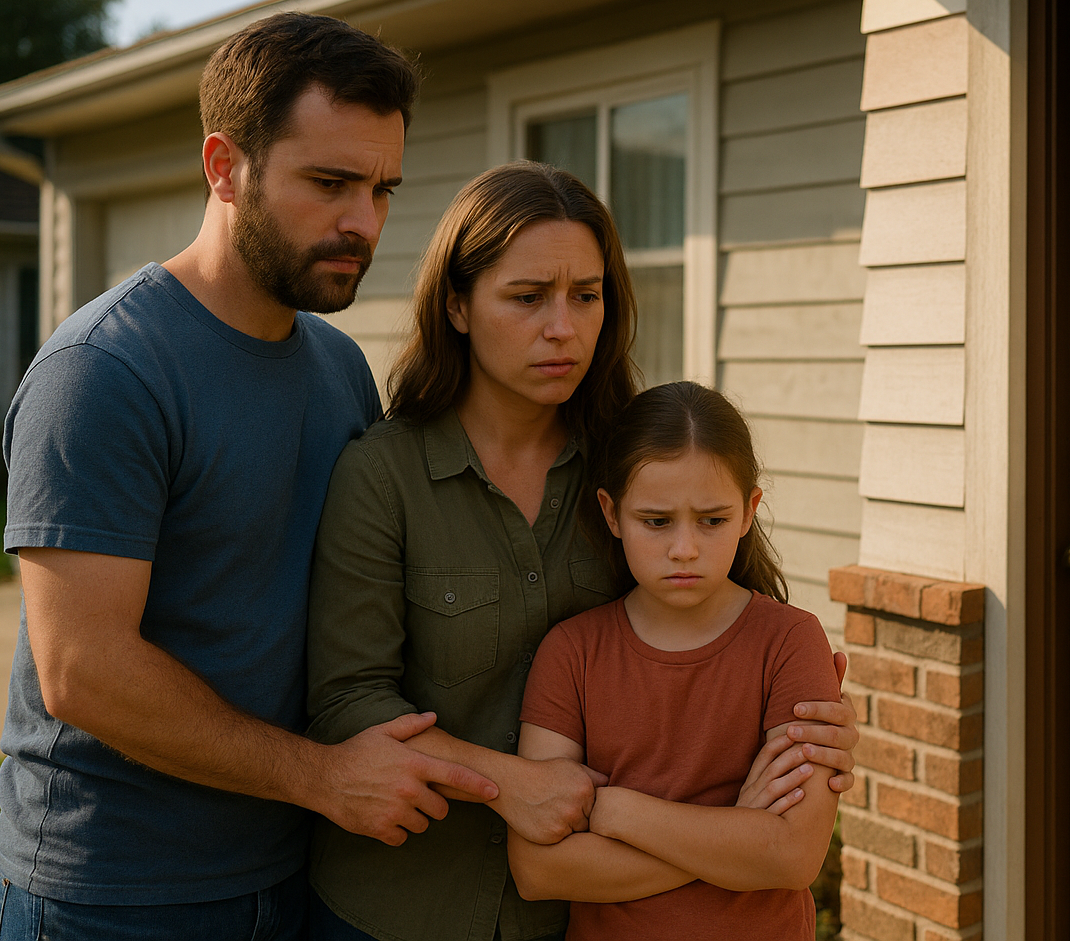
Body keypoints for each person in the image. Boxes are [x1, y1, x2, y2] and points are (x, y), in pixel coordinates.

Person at [0, 12, 497, 941]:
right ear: (225, 167)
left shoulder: (339, 370)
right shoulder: (104, 373)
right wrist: (322, 777)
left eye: (383, 189)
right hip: (111, 893)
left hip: (290, 869)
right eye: (330, 182)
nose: (364, 222)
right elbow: (82, 670)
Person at [305, 161, 858, 941]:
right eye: (527, 298)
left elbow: (735, 614)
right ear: (457, 305)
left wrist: (816, 728)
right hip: (404, 908)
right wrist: (511, 784)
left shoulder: (638, 466)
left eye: (586, 296)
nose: (562, 327)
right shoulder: (382, 474)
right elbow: (348, 703)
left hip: (579, 915)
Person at [509, 380, 840, 940]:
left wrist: (615, 812)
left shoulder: (791, 642)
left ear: (748, 510)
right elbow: (539, 869)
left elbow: (791, 858)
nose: (684, 548)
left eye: (711, 520)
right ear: (611, 514)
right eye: (656, 521)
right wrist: (737, 835)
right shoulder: (571, 653)